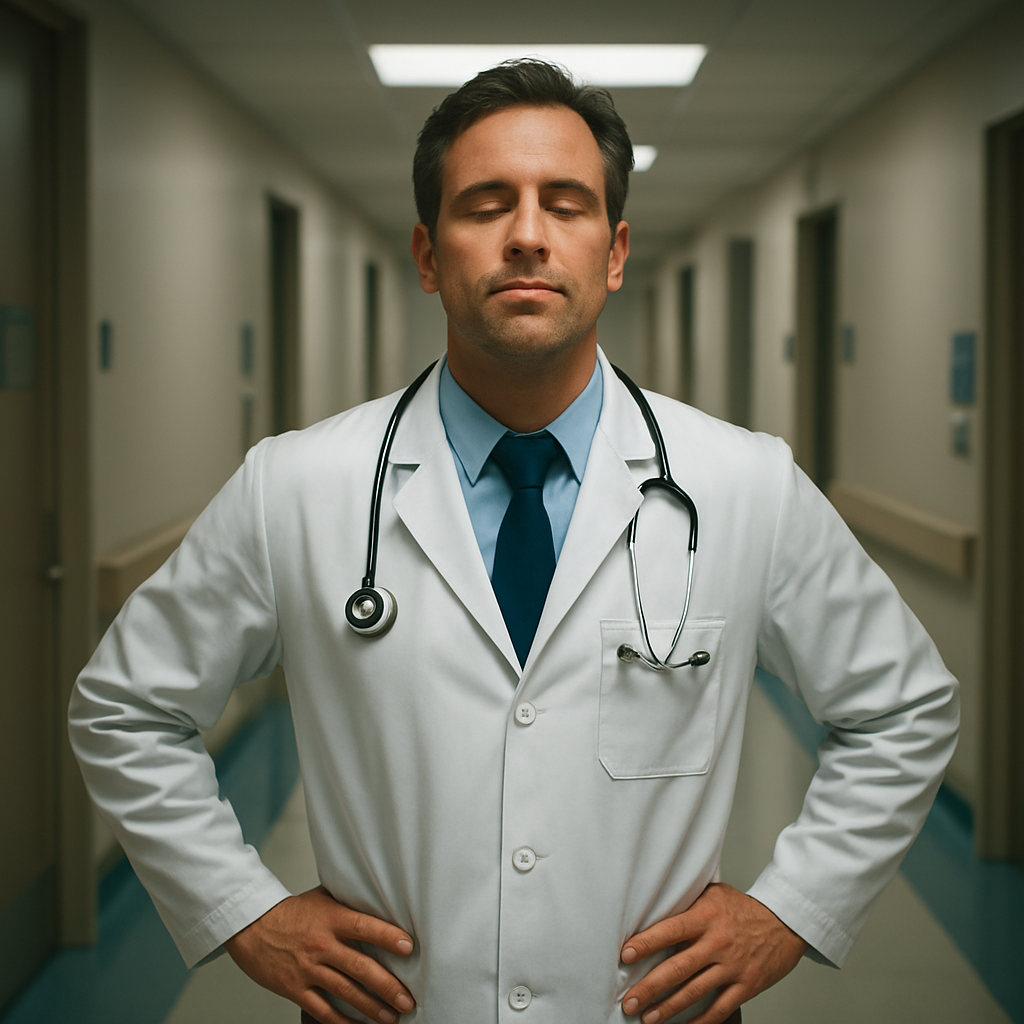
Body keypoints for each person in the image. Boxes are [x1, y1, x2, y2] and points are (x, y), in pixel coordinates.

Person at [69, 60, 959, 1024]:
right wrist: (242, 912)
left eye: (565, 205)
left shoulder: (743, 484)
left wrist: (790, 910)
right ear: (427, 253)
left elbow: (903, 708)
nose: (528, 236)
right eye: (486, 204)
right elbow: (125, 708)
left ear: (614, 252)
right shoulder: (297, 486)